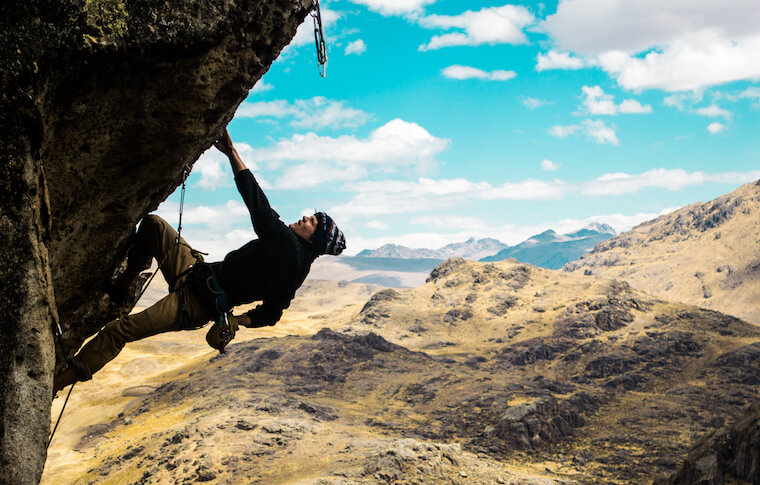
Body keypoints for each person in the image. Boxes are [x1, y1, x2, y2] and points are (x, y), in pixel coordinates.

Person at [53, 128, 346, 394]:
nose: (306, 217)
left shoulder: (288, 249)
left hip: (193, 304)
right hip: (196, 274)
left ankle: (57, 382)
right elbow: (272, 313)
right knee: (154, 226)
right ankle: (122, 286)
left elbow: (258, 205)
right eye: (312, 215)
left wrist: (232, 153)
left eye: (313, 221)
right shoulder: (297, 269)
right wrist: (238, 320)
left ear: (314, 239)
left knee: (119, 331)